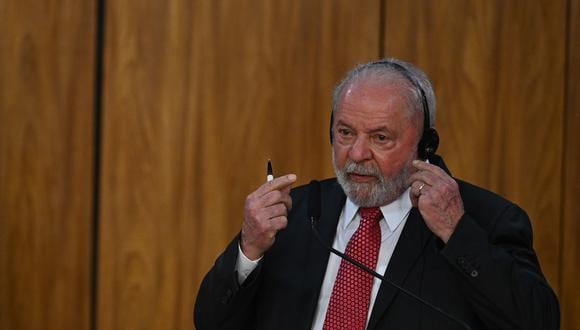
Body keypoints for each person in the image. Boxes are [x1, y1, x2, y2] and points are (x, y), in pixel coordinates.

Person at [194, 58, 559, 329]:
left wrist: (457, 232)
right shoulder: (295, 213)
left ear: (424, 145)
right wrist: (248, 249)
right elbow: (210, 322)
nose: (356, 154)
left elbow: (538, 322)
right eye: (345, 133)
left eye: (380, 138)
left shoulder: (483, 218)